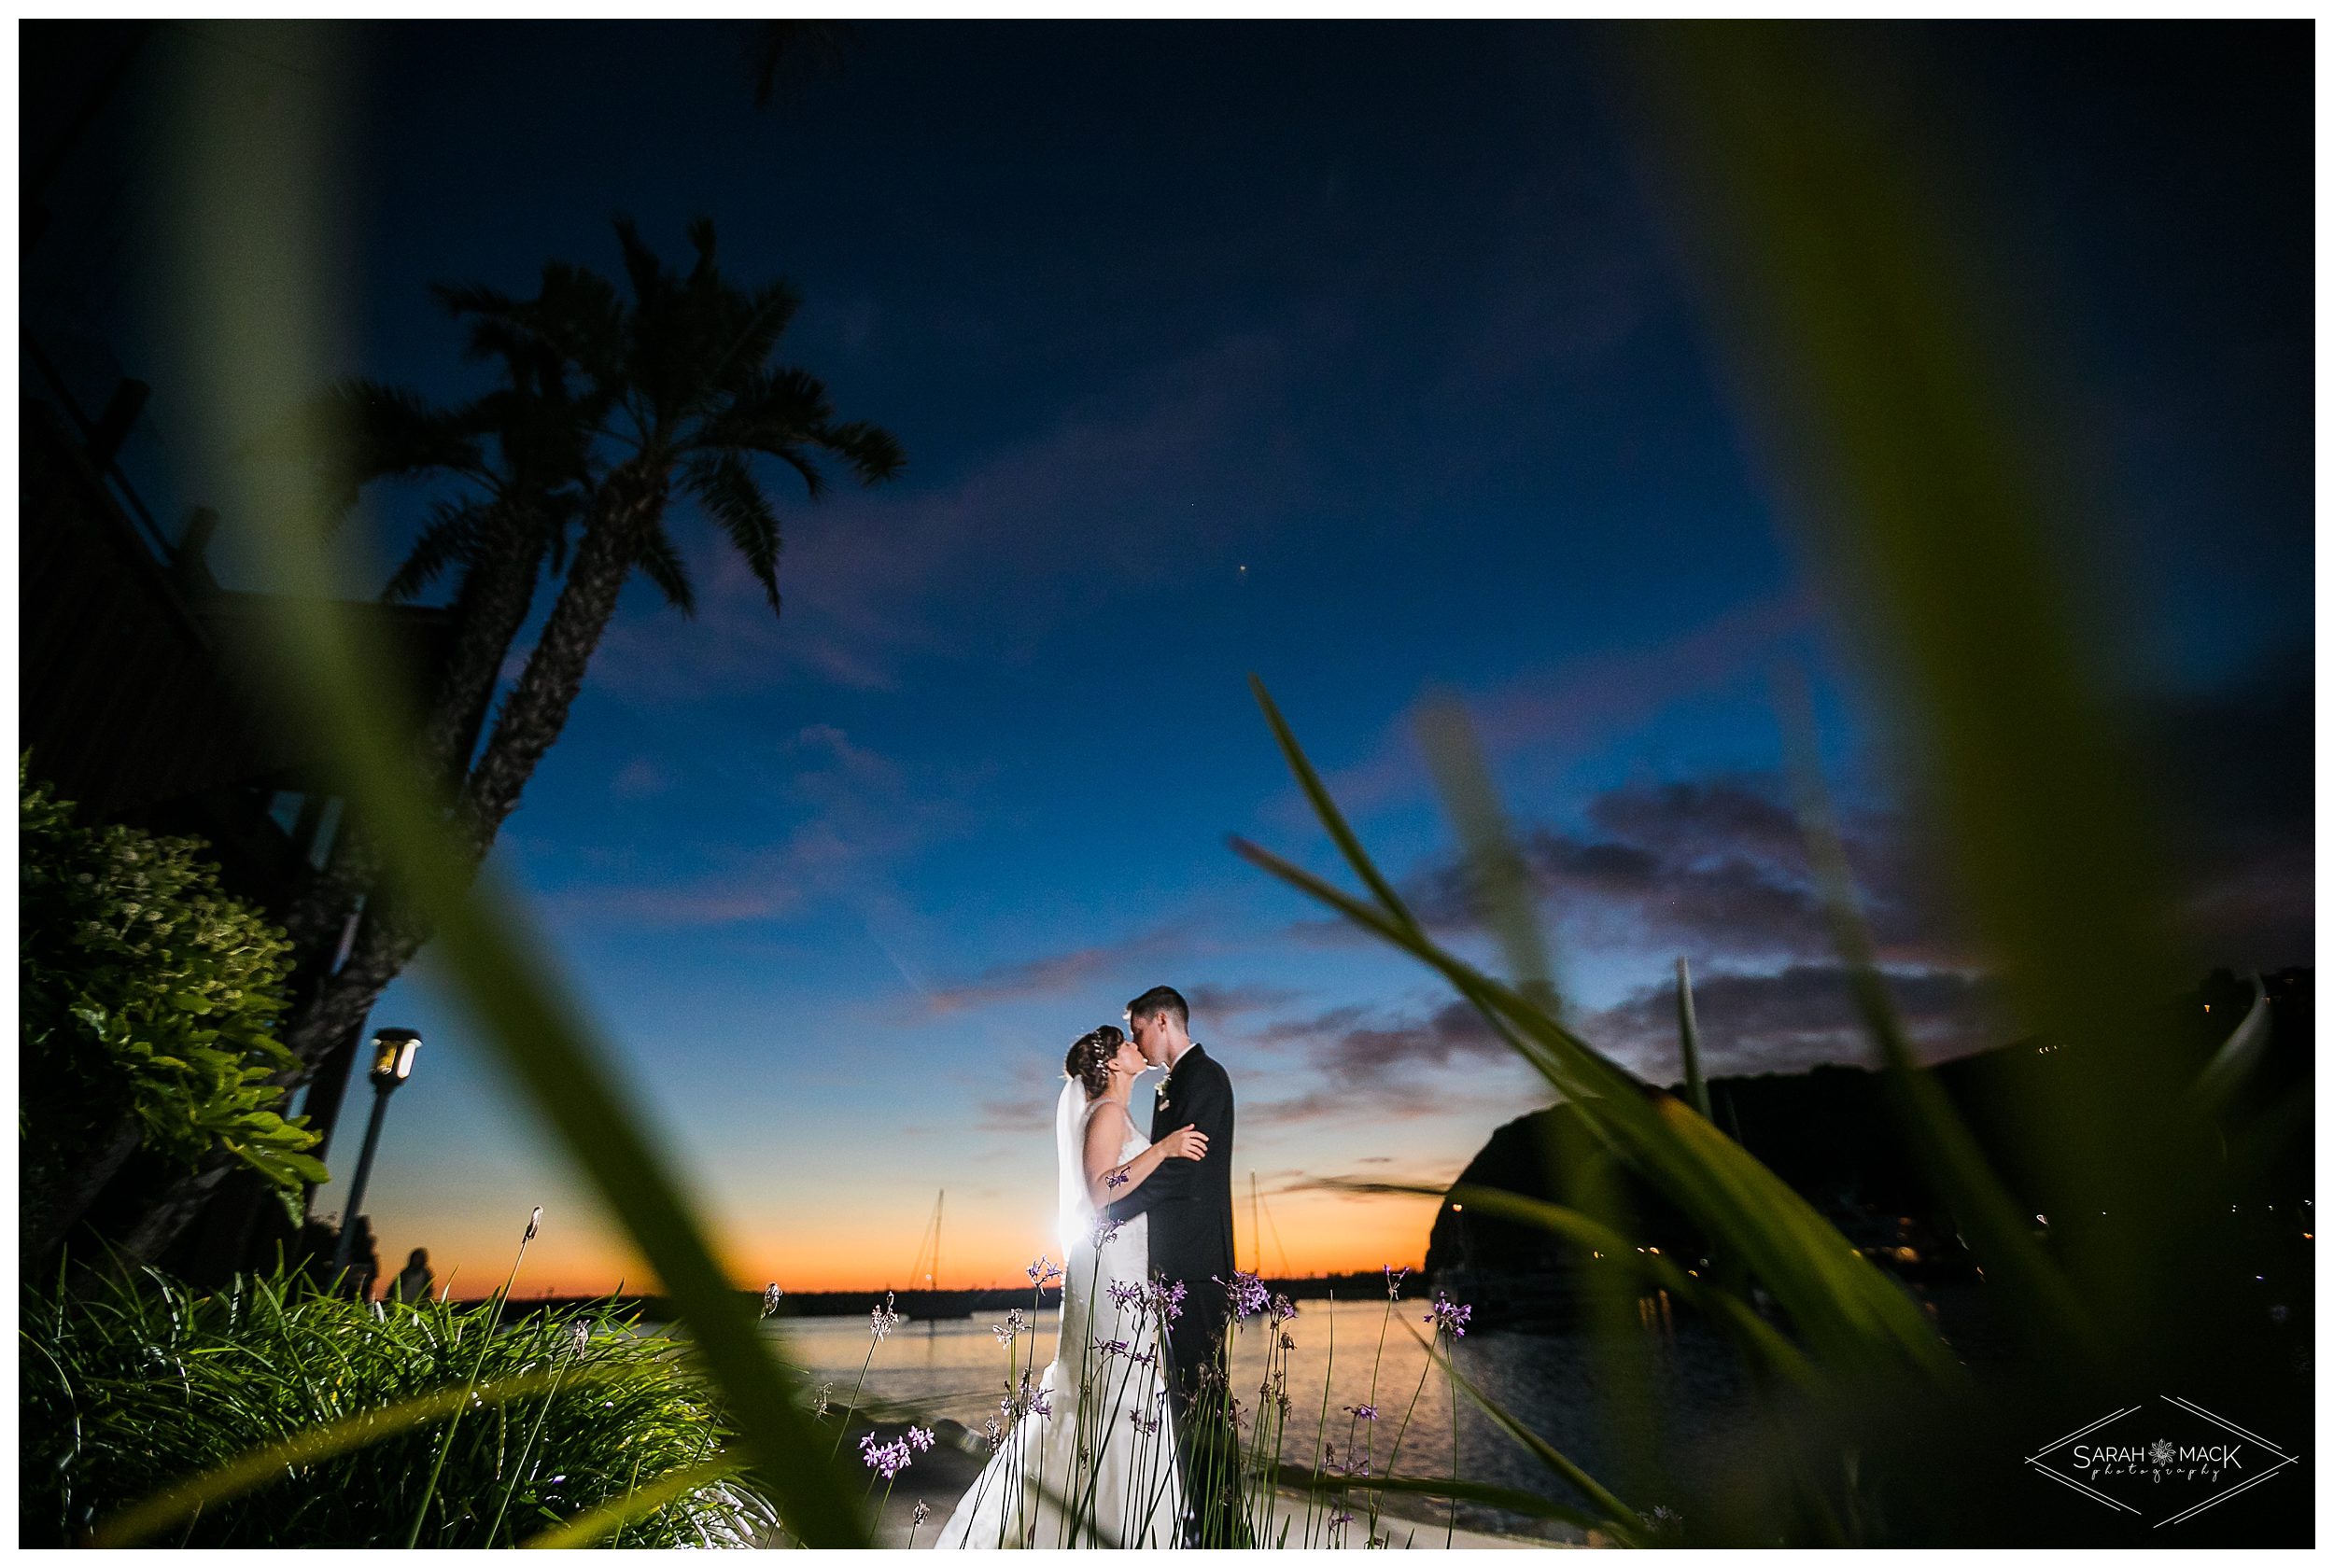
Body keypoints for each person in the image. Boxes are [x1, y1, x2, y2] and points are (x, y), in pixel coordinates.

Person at [933, 1025, 1207, 1549]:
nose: (1136, 1046)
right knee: (1112, 1385)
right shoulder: (1104, 1112)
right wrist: (1164, 1150)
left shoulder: (1119, 1112)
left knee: (1128, 1387)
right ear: (1111, 1064)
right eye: (1126, 1044)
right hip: (1108, 1273)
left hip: (1126, 1264)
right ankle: (1104, 1525)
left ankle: (1125, 1519)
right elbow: (1102, 1190)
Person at [1103, 985, 1246, 1547]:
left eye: (1138, 1029)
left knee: (1202, 1396)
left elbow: (1185, 1174)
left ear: (1161, 1021)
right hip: (1175, 1263)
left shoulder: (1204, 1078)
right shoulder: (1175, 1086)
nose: (1136, 1040)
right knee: (1189, 1396)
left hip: (1196, 1263)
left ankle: (1222, 1531)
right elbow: (1166, 1164)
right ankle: (1206, 1521)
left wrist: (1114, 1210)